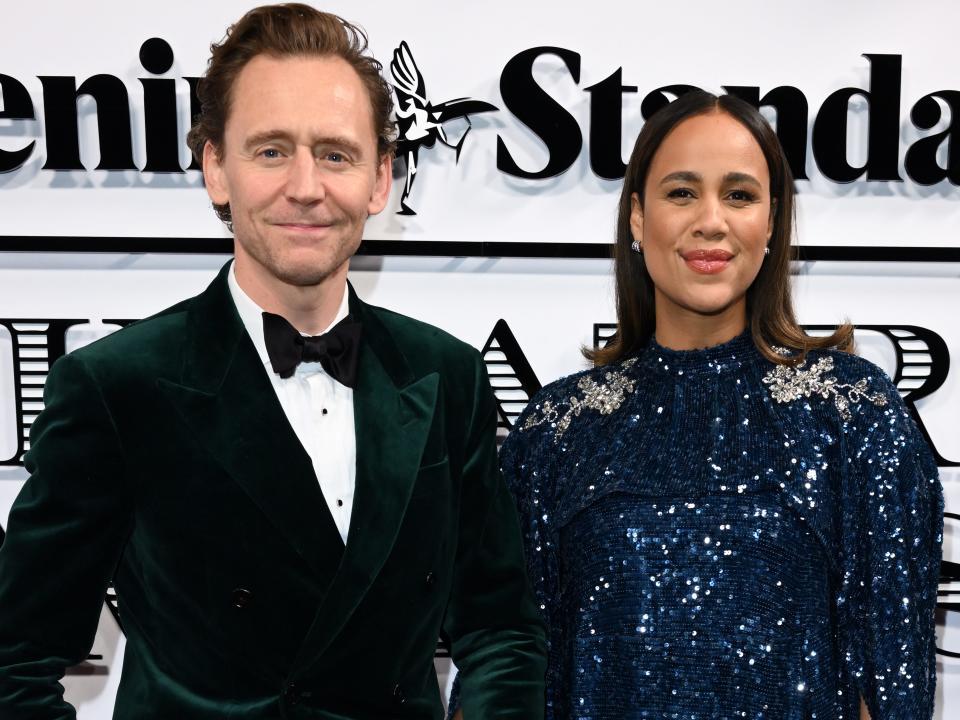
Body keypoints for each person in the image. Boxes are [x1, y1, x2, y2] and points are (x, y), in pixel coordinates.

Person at [0, 5, 546, 718]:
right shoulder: (117, 387)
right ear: (215, 170)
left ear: (381, 180)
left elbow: (501, 628)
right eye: (270, 151)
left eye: (336, 153)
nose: (306, 187)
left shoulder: (448, 376)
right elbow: (15, 659)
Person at [472, 91, 942, 719]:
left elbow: (889, 688)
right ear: (637, 217)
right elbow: (512, 669)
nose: (711, 221)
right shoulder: (558, 431)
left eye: (740, 195)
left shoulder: (854, 416)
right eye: (682, 192)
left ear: (772, 224)